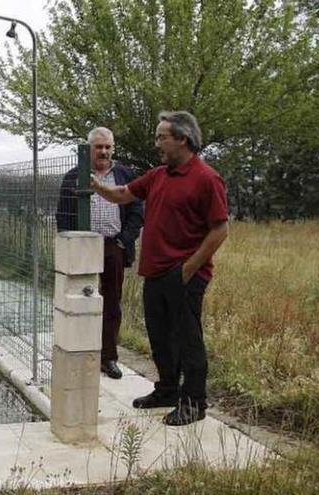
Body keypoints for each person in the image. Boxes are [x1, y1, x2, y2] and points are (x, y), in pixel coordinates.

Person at [90, 111, 228, 426]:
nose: (157, 144)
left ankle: (194, 403)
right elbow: (122, 194)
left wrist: (189, 268)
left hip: (184, 275)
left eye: (161, 137)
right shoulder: (158, 175)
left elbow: (220, 229)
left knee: (187, 340)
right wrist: (94, 184)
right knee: (160, 338)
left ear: (182, 138)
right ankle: (167, 391)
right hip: (154, 272)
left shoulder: (207, 178)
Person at [56, 127, 143, 380]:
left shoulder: (125, 175)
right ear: (89, 149)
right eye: (98, 147)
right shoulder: (74, 177)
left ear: (113, 148)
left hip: (114, 245)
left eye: (107, 147)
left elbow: (137, 210)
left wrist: (125, 241)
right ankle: (81, 354)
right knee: (81, 300)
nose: (103, 151)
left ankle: (109, 358)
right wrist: (69, 248)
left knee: (112, 303)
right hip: (83, 246)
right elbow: (63, 216)